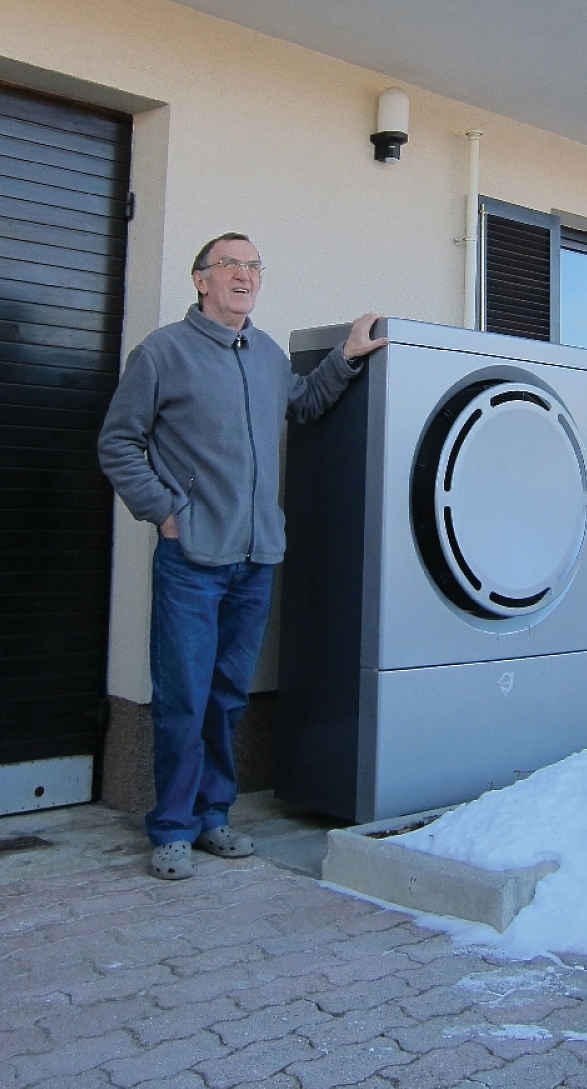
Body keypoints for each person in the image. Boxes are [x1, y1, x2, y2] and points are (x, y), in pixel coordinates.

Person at [97, 233, 386, 880]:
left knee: (228, 697)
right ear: (201, 279)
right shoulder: (163, 353)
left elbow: (304, 403)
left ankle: (213, 816)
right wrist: (166, 511)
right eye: (231, 264)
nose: (245, 275)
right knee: (184, 697)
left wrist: (345, 356)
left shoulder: (265, 354)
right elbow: (118, 442)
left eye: (254, 266)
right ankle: (172, 827)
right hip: (192, 558)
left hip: (257, 559)